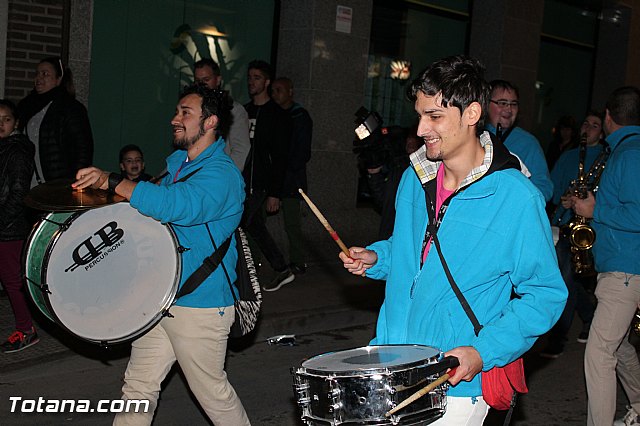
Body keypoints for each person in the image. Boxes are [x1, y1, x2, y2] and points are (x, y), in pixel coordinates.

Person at [339, 55, 567, 425]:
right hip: (393, 362)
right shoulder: (416, 177)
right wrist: (377, 258)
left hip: (455, 380)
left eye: (435, 116)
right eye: (420, 114)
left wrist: (481, 352)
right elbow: (413, 252)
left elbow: (545, 295)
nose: (422, 127)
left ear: (472, 113)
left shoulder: (515, 198)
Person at [72, 83, 250, 425]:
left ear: (210, 122)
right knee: (138, 388)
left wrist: (113, 181)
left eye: (186, 113)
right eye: (176, 111)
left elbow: (175, 207)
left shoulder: (222, 175)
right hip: (163, 296)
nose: (175, 119)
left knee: (213, 394)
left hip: (201, 304)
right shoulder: (178, 165)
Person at [572, 86, 640, 426]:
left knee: (599, 354)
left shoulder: (629, 154)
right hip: (624, 270)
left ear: (609, 118)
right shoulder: (627, 151)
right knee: (619, 345)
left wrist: (596, 209)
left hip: (626, 270)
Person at [540, 111, 604, 359]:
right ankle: (559, 336)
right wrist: (564, 200)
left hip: (593, 228)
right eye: (586, 123)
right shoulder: (568, 157)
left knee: (577, 281)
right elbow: (553, 191)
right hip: (567, 226)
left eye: (595, 125)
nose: (589, 128)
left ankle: (588, 317)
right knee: (565, 281)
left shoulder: (607, 158)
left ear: (603, 130)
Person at [243, 60, 294, 291]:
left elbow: (281, 156)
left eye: (256, 77)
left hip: (261, 183)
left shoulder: (277, 115)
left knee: (244, 222)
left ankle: (274, 268)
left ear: (266, 82)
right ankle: (281, 269)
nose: (251, 82)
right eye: (249, 77)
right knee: (252, 224)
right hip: (240, 181)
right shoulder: (244, 112)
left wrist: (275, 193)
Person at [17, 56, 93, 186]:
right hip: (29, 182)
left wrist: (73, 182)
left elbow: (83, 148)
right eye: (37, 74)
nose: (39, 78)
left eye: (45, 74)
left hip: (57, 184)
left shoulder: (70, 108)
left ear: (58, 79)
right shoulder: (26, 106)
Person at [0, 99, 38, 353]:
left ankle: (26, 329)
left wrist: (2, 221)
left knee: (12, 280)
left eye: (6, 119)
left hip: (9, 228)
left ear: (16, 124)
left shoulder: (17, 151)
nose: (1, 124)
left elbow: (18, 192)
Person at [270, 77, 312, 275]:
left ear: (290, 91)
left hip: (291, 179)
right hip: (271, 178)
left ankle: (298, 261)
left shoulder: (299, 116)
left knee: (292, 224)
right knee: (254, 221)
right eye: (273, 90)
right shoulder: (273, 114)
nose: (275, 94)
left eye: (279, 90)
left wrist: (284, 170)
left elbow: (302, 152)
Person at [486, 79, 553, 202]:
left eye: (514, 104)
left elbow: (545, 189)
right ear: (486, 104)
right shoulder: (474, 136)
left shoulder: (528, 143)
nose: (509, 109)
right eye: (502, 103)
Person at [194, 58, 250, 171]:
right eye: (197, 80)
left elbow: (241, 149)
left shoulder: (234, 110)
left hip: (218, 176)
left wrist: (225, 177)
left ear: (218, 80)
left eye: (206, 79)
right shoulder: (194, 110)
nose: (201, 84)